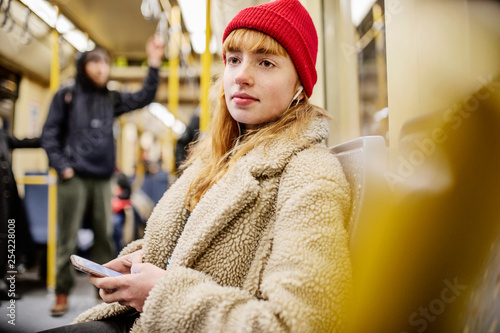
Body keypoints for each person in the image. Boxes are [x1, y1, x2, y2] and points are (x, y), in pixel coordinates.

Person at [41, 0, 352, 331]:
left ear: (300, 85)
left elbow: (298, 323)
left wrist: (161, 292)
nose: (241, 76)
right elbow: (202, 248)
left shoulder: (312, 174)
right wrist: (147, 259)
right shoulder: (217, 158)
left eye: (265, 62)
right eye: (233, 59)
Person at [40, 35, 164, 316]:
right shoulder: (67, 94)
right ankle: (61, 293)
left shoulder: (110, 98)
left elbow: (144, 96)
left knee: (104, 237)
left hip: (102, 177)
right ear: (84, 66)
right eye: (95, 62)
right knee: (68, 238)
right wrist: (63, 168)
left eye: (105, 63)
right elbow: (49, 135)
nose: (101, 68)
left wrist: (154, 62)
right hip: (73, 177)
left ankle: (106, 293)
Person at [0, 119, 39, 300]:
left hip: (6, 197)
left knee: (6, 238)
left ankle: (2, 282)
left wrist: (49, 136)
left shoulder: (2, 135)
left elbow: (22, 142)